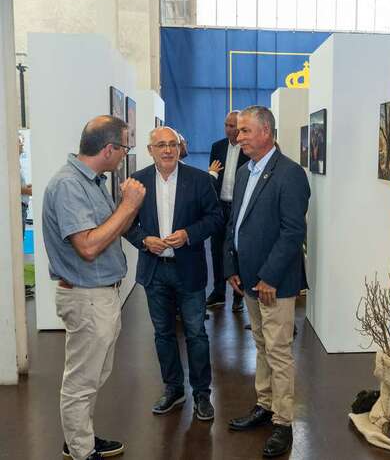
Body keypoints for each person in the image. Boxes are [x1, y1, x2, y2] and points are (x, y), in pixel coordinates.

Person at [41, 115, 146, 460]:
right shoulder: (69, 185)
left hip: (99, 295)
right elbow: (88, 246)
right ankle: (81, 451)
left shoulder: (92, 182)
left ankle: (78, 438)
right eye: (125, 147)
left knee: (94, 374)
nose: (125, 154)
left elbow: (109, 230)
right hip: (87, 297)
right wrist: (128, 205)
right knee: (81, 381)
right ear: (109, 149)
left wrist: (128, 210)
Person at [224, 106, 310, 458]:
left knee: (278, 351)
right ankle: (264, 404)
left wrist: (270, 277)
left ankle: (284, 422)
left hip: (274, 283)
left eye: (245, 131)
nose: (238, 137)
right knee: (261, 344)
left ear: (266, 132)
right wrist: (231, 265)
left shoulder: (290, 174)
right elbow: (234, 223)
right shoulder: (245, 172)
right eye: (238, 130)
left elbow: (293, 232)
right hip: (248, 279)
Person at [124, 127, 223, 420]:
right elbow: (126, 224)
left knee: (196, 333)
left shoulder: (200, 180)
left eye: (173, 144)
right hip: (155, 271)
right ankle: (173, 389)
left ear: (180, 148)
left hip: (189, 270)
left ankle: (202, 393)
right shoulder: (137, 182)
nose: (167, 150)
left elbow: (216, 218)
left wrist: (189, 234)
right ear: (150, 150)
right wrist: (144, 240)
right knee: (163, 333)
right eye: (161, 145)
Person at [206, 111, 249, 312]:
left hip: (240, 207)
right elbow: (212, 178)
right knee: (216, 249)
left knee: (237, 251)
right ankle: (218, 292)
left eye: (233, 126)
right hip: (220, 206)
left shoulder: (248, 148)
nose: (228, 129)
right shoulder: (217, 147)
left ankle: (239, 296)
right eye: (226, 125)